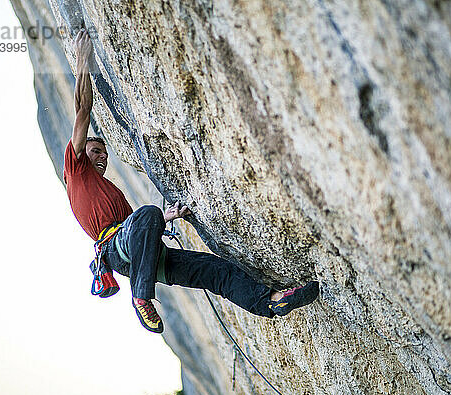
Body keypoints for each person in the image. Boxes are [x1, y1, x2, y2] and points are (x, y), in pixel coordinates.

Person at [63, 29, 319, 333]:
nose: (101, 156)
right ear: (81, 153)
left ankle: (271, 301)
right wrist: (83, 59)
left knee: (214, 270)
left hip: (140, 254)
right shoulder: (75, 169)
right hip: (121, 251)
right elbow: (82, 110)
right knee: (147, 213)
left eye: (104, 153)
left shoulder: (108, 193)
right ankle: (142, 296)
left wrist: (166, 217)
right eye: (95, 150)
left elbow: (139, 229)